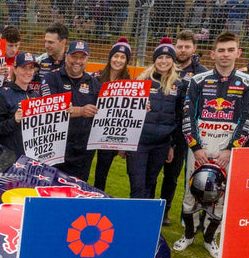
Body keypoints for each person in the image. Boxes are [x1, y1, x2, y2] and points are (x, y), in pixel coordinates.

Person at [173, 31, 249, 258]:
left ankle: (211, 238)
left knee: (221, 194)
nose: (225, 54)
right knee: (192, 190)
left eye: (230, 50)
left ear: (238, 53)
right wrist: (195, 147)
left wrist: (232, 149)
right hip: (200, 145)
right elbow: (187, 115)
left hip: (227, 148)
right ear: (213, 54)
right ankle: (189, 234)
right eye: (221, 50)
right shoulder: (197, 80)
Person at [129, 38, 184, 201]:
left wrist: (171, 145)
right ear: (154, 60)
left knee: (150, 184)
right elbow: (127, 112)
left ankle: (147, 222)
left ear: (173, 61)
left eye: (168, 58)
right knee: (137, 186)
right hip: (138, 143)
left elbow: (178, 117)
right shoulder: (141, 81)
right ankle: (134, 223)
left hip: (161, 144)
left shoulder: (179, 85)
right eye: (160, 57)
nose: (164, 61)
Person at [159, 29, 205, 224]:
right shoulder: (165, 66)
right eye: (180, 46)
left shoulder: (202, 73)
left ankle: (167, 210)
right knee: (153, 170)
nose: (183, 50)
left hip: (186, 131)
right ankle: (152, 206)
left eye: (187, 47)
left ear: (194, 48)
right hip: (165, 125)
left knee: (174, 173)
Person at [42, 39, 99, 181]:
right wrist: (80, 111)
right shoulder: (51, 78)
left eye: (82, 57)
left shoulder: (94, 84)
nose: (77, 61)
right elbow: (48, 109)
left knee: (77, 193)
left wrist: (140, 107)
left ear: (87, 59)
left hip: (82, 151)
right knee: (50, 191)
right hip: (55, 148)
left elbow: (107, 110)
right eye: (74, 56)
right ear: (67, 56)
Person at [89, 38, 132, 191]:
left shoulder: (129, 83)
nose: (118, 60)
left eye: (122, 57)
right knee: (83, 167)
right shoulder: (95, 77)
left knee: (102, 171)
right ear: (110, 57)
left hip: (109, 134)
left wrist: (122, 144)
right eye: (116, 56)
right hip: (89, 129)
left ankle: (98, 198)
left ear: (127, 61)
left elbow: (128, 115)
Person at [0, 52, 42, 155]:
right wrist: (14, 120)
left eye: (31, 68)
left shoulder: (35, 95)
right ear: (15, 70)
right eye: (24, 67)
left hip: (31, 156)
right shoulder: (2, 95)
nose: (28, 72)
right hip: (10, 158)